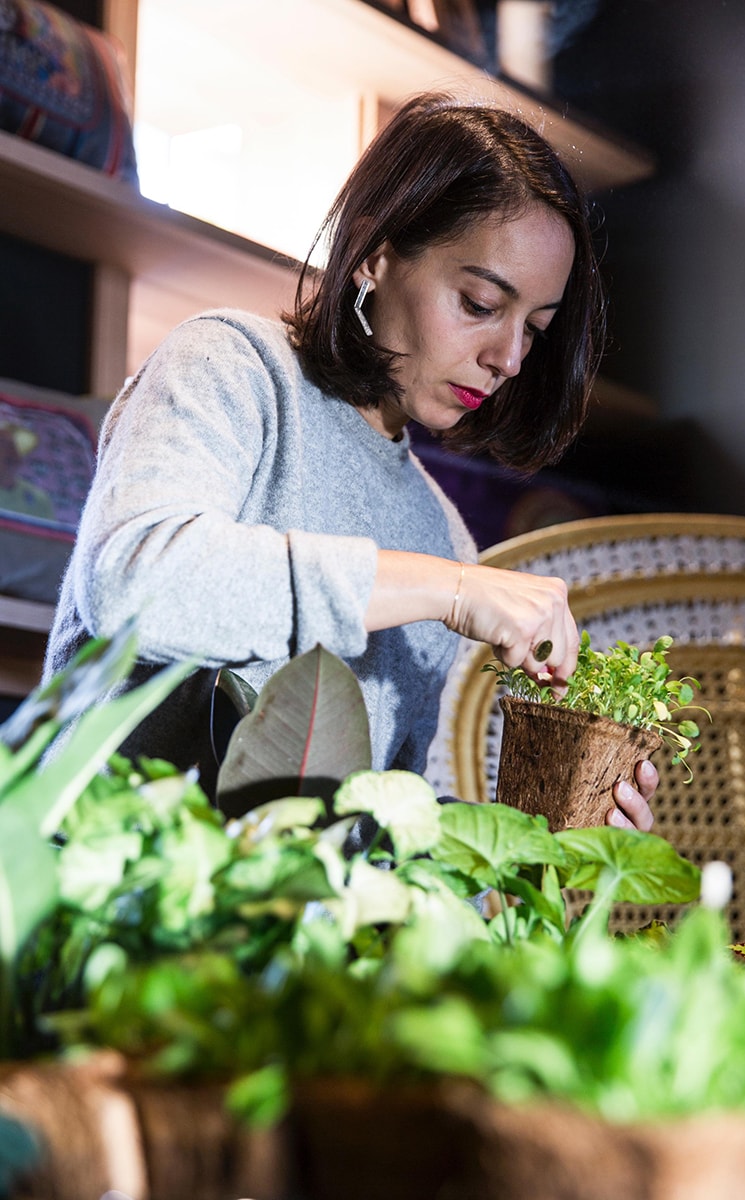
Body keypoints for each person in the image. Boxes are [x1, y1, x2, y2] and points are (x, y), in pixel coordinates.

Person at [42, 90, 657, 830]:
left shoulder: (442, 530)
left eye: (535, 327)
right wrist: (450, 589)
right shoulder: (234, 367)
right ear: (373, 253)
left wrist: (538, 839)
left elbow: (382, 823)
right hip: (95, 893)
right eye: (479, 303)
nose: (508, 357)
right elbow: (136, 583)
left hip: (282, 930)